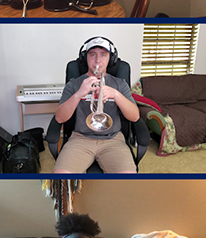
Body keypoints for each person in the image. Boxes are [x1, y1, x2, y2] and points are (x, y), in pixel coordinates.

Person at [52, 37, 140, 173]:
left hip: (113, 140)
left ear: (111, 59)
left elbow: (134, 117)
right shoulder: (74, 84)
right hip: (80, 139)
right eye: (92, 55)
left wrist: (116, 95)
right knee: (60, 177)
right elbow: (59, 118)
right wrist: (79, 94)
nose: (98, 61)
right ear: (85, 58)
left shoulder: (120, 84)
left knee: (128, 180)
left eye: (103, 55)